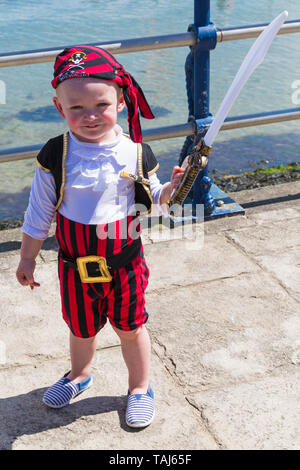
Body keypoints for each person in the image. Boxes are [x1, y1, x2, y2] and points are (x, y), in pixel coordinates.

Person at [16, 45, 184, 428]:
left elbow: (156, 201)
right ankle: (79, 375)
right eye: (76, 108)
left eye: (101, 105)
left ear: (121, 102)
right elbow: (39, 211)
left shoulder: (135, 153)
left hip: (124, 263)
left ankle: (139, 387)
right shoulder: (55, 154)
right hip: (75, 266)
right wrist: (27, 257)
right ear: (59, 108)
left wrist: (172, 189)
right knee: (80, 327)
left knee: (130, 327)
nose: (90, 116)